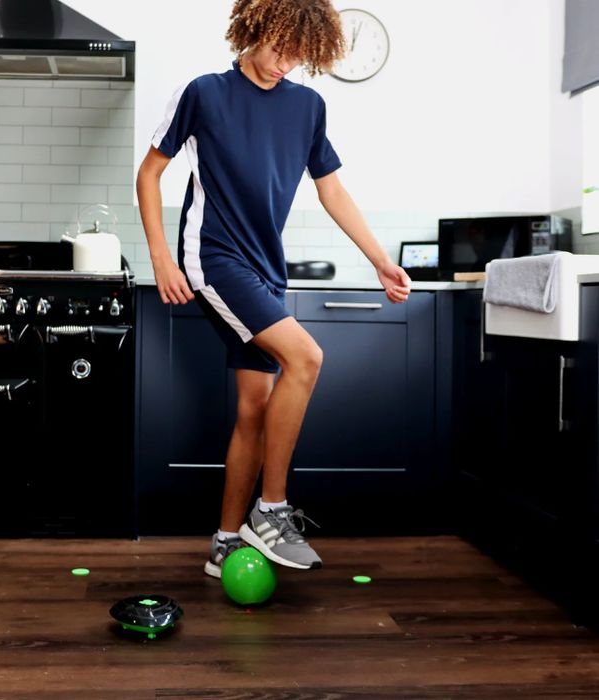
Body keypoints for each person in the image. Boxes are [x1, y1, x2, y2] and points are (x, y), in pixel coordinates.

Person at [136, 0, 412, 579]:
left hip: (266, 267)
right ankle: (272, 510)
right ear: (255, 28)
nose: (287, 62)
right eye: (281, 46)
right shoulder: (205, 93)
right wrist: (162, 258)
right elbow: (150, 172)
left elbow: (331, 190)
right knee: (307, 357)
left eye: (300, 53)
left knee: (254, 408)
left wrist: (381, 259)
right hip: (212, 257)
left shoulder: (309, 106)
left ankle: (224, 540)